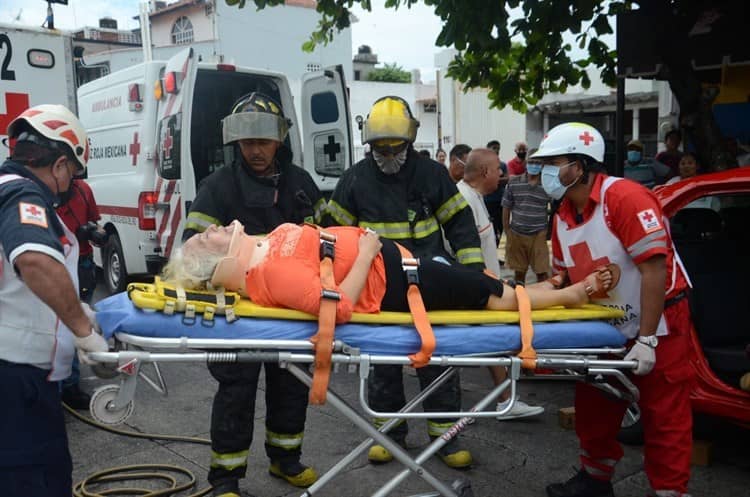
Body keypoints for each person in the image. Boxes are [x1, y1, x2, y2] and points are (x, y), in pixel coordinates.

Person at [529, 123, 694, 497]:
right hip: (604, 321)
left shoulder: (625, 198)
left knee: (664, 411)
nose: (545, 172)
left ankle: (670, 492)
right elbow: (562, 280)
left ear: (581, 165)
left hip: (660, 318)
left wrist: (648, 338)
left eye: (553, 162)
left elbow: (654, 268)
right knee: (595, 401)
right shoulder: (563, 216)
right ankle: (595, 479)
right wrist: (517, 299)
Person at [324, 96, 484, 469]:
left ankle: (445, 437)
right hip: (379, 286)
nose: (387, 154)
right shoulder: (354, 179)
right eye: (380, 148)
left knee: (438, 358)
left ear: (409, 142)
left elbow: (460, 226)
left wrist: (474, 276)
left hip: (432, 281)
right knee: (384, 361)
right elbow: (333, 236)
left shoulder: (432, 175)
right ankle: (389, 434)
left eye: (394, 147)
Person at [182, 92, 325, 497]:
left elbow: (325, 241)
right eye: (247, 143)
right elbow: (194, 244)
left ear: (278, 141)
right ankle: (226, 479)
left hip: (289, 307)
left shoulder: (301, 184)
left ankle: (285, 459)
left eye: (262, 142)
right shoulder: (219, 186)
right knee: (236, 391)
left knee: (291, 384)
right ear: (236, 144)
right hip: (237, 311)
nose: (256, 151)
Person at [165, 221, 615, 322]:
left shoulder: (264, 249)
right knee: (489, 294)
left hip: (397, 262)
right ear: (214, 265)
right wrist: (365, 252)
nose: (210, 227)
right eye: (204, 238)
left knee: (481, 284)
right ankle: (569, 296)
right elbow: (336, 310)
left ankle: (542, 288)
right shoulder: (270, 276)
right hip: (393, 280)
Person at [0, 104, 109, 497]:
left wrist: (74, 310)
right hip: (16, 380)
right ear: (61, 165)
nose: (70, 184)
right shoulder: (22, 193)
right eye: (72, 174)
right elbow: (33, 260)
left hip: (22, 377)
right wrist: (83, 332)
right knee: (33, 482)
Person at [459, 149, 544, 420]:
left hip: (485, 286)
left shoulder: (476, 198)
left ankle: (505, 401)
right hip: (474, 288)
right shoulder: (463, 200)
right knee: (477, 348)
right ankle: (461, 407)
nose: (502, 174)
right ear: (484, 172)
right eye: (498, 169)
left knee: (491, 346)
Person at [56, 178, 109, 409]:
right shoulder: (37, 192)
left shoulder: (82, 190)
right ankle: (54, 386)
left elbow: (94, 222)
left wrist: (97, 234)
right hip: (54, 264)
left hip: (82, 264)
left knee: (75, 327)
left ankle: (70, 387)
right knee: (55, 325)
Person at [502, 156, 551, 286]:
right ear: (526, 163)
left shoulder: (547, 185)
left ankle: (544, 299)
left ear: (542, 166)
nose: (534, 165)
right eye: (531, 162)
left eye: (538, 163)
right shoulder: (514, 183)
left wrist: (548, 231)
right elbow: (506, 207)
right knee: (519, 272)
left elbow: (555, 208)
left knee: (542, 273)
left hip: (539, 234)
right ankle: (520, 297)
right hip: (517, 233)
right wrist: (507, 231)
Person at [483, 140, 509, 256]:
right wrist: (498, 179)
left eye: (498, 148)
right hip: (487, 201)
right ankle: (491, 252)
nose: (496, 150)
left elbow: (507, 179)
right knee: (490, 229)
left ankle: (497, 250)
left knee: (501, 227)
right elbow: (483, 180)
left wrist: (495, 179)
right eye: (494, 148)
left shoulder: (502, 165)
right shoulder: (483, 165)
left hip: (500, 200)